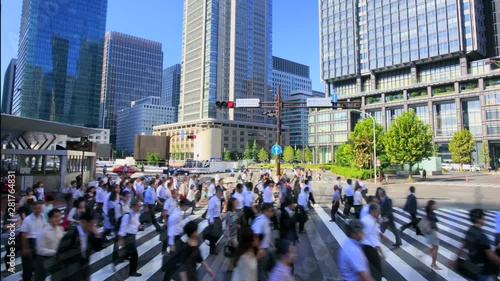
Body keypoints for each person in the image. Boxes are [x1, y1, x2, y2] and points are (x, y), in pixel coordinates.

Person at [55, 211, 104, 280]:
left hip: (84, 268)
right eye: (91, 223)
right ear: (83, 222)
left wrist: (98, 235)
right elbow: (61, 252)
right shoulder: (71, 234)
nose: (93, 226)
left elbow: (98, 248)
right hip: (71, 270)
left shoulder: (91, 234)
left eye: (94, 224)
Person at [453, 209, 500, 280]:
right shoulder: (482, 236)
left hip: (473, 267)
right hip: (484, 271)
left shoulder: (470, 230)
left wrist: (455, 259)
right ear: (479, 219)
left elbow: (463, 246)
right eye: (483, 217)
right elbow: (491, 257)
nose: (485, 219)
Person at [163, 199, 192, 279]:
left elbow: (178, 225)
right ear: (184, 206)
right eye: (188, 206)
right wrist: (171, 243)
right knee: (176, 261)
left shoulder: (177, 212)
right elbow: (171, 229)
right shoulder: (176, 214)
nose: (188, 208)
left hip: (177, 239)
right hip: (175, 240)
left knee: (178, 261)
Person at [34, 208, 63, 281]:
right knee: (40, 278)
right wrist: (54, 252)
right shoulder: (43, 232)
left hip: (56, 259)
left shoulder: (60, 229)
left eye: (59, 216)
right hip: (43, 259)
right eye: (55, 216)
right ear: (49, 219)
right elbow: (39, 250)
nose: (57, 218)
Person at [117, 199, 144, 277]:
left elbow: (136, 222)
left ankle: (121, 258)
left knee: (129, 251)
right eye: (138, 206)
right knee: (134, 255)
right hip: (128, 237)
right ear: (134, 206)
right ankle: (132, 271)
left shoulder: (135, 214)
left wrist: (139, 225)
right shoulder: (127, 215)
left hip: (132, 236)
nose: (139, 208)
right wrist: (121, 238)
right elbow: (123, 227)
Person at [20, 202, 46, 281]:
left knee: (39, 265)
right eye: (37, 208)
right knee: (28, 266)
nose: (38, 210)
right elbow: (24, 234)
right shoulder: (28, 219)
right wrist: (25, 248)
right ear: (33, 209)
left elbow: (45, 228)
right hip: (30, 242)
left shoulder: (42, 217)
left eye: (40, 208)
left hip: (39, 242)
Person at [252, 203, 276, 281]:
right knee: (262, 270)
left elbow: (264, 233)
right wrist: (260, 249)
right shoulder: (260, 221)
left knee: (265, 269)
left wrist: (269, 242)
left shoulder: (266, 219)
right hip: (262, 250)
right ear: (266, 211)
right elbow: (255, 236)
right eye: (271, 210)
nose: (273, 212)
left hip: (265, 248)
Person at [361, 204, 385, 281]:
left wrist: (382, 234)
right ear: (373, 211)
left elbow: (375, 229)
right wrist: (380, 250)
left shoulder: (369, 218)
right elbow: (373, 238)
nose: (379, 213)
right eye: (378, 212)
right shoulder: (369, 222)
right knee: (377, 269)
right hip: (369, 247)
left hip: (366, 247)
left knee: (369, 267)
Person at [423, 200, 441, 270]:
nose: (436, 206)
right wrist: (436, 234)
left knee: (434, 247)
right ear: (431, 206)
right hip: (432, 233)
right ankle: (434, 264)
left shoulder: (429, 213)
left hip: (430, 233)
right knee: (435, 248)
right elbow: (432, 225)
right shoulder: (430, 214)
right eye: (434, 205)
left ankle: (423, 255)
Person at [206, 188, 223, 255]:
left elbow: (218, 210)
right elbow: (210, 210)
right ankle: (212, 249)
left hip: (218, 218)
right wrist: (211, 220)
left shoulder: (219, 199)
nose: (221, 195)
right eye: (220, 193)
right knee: (213, 234)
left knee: (219, 233)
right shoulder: (213, 200)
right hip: (213, 219)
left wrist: (220, 216)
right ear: (217, 192)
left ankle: (213, 245)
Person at [226, 198, 241, 271]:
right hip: (232, 235)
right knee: (237, 250)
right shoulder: (229, 213)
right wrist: (228, 236)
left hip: (236, 233)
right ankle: (235, 265)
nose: (237, 204)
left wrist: (238, 225)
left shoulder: (234, 212)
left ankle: (230, 266)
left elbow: (235, 221)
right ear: (232, 204)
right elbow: (227, 225)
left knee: (234, 251)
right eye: (235, 202)